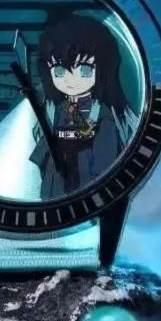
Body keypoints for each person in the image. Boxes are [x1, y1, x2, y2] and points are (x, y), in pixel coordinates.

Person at [29, 14, 136, 200]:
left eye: (84, 70)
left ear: (101, 69)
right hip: (57, 178)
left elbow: (106, 158)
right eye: (59, 71)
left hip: (88, 179)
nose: (70, 80)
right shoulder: (58, 108)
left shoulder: (102, 113)